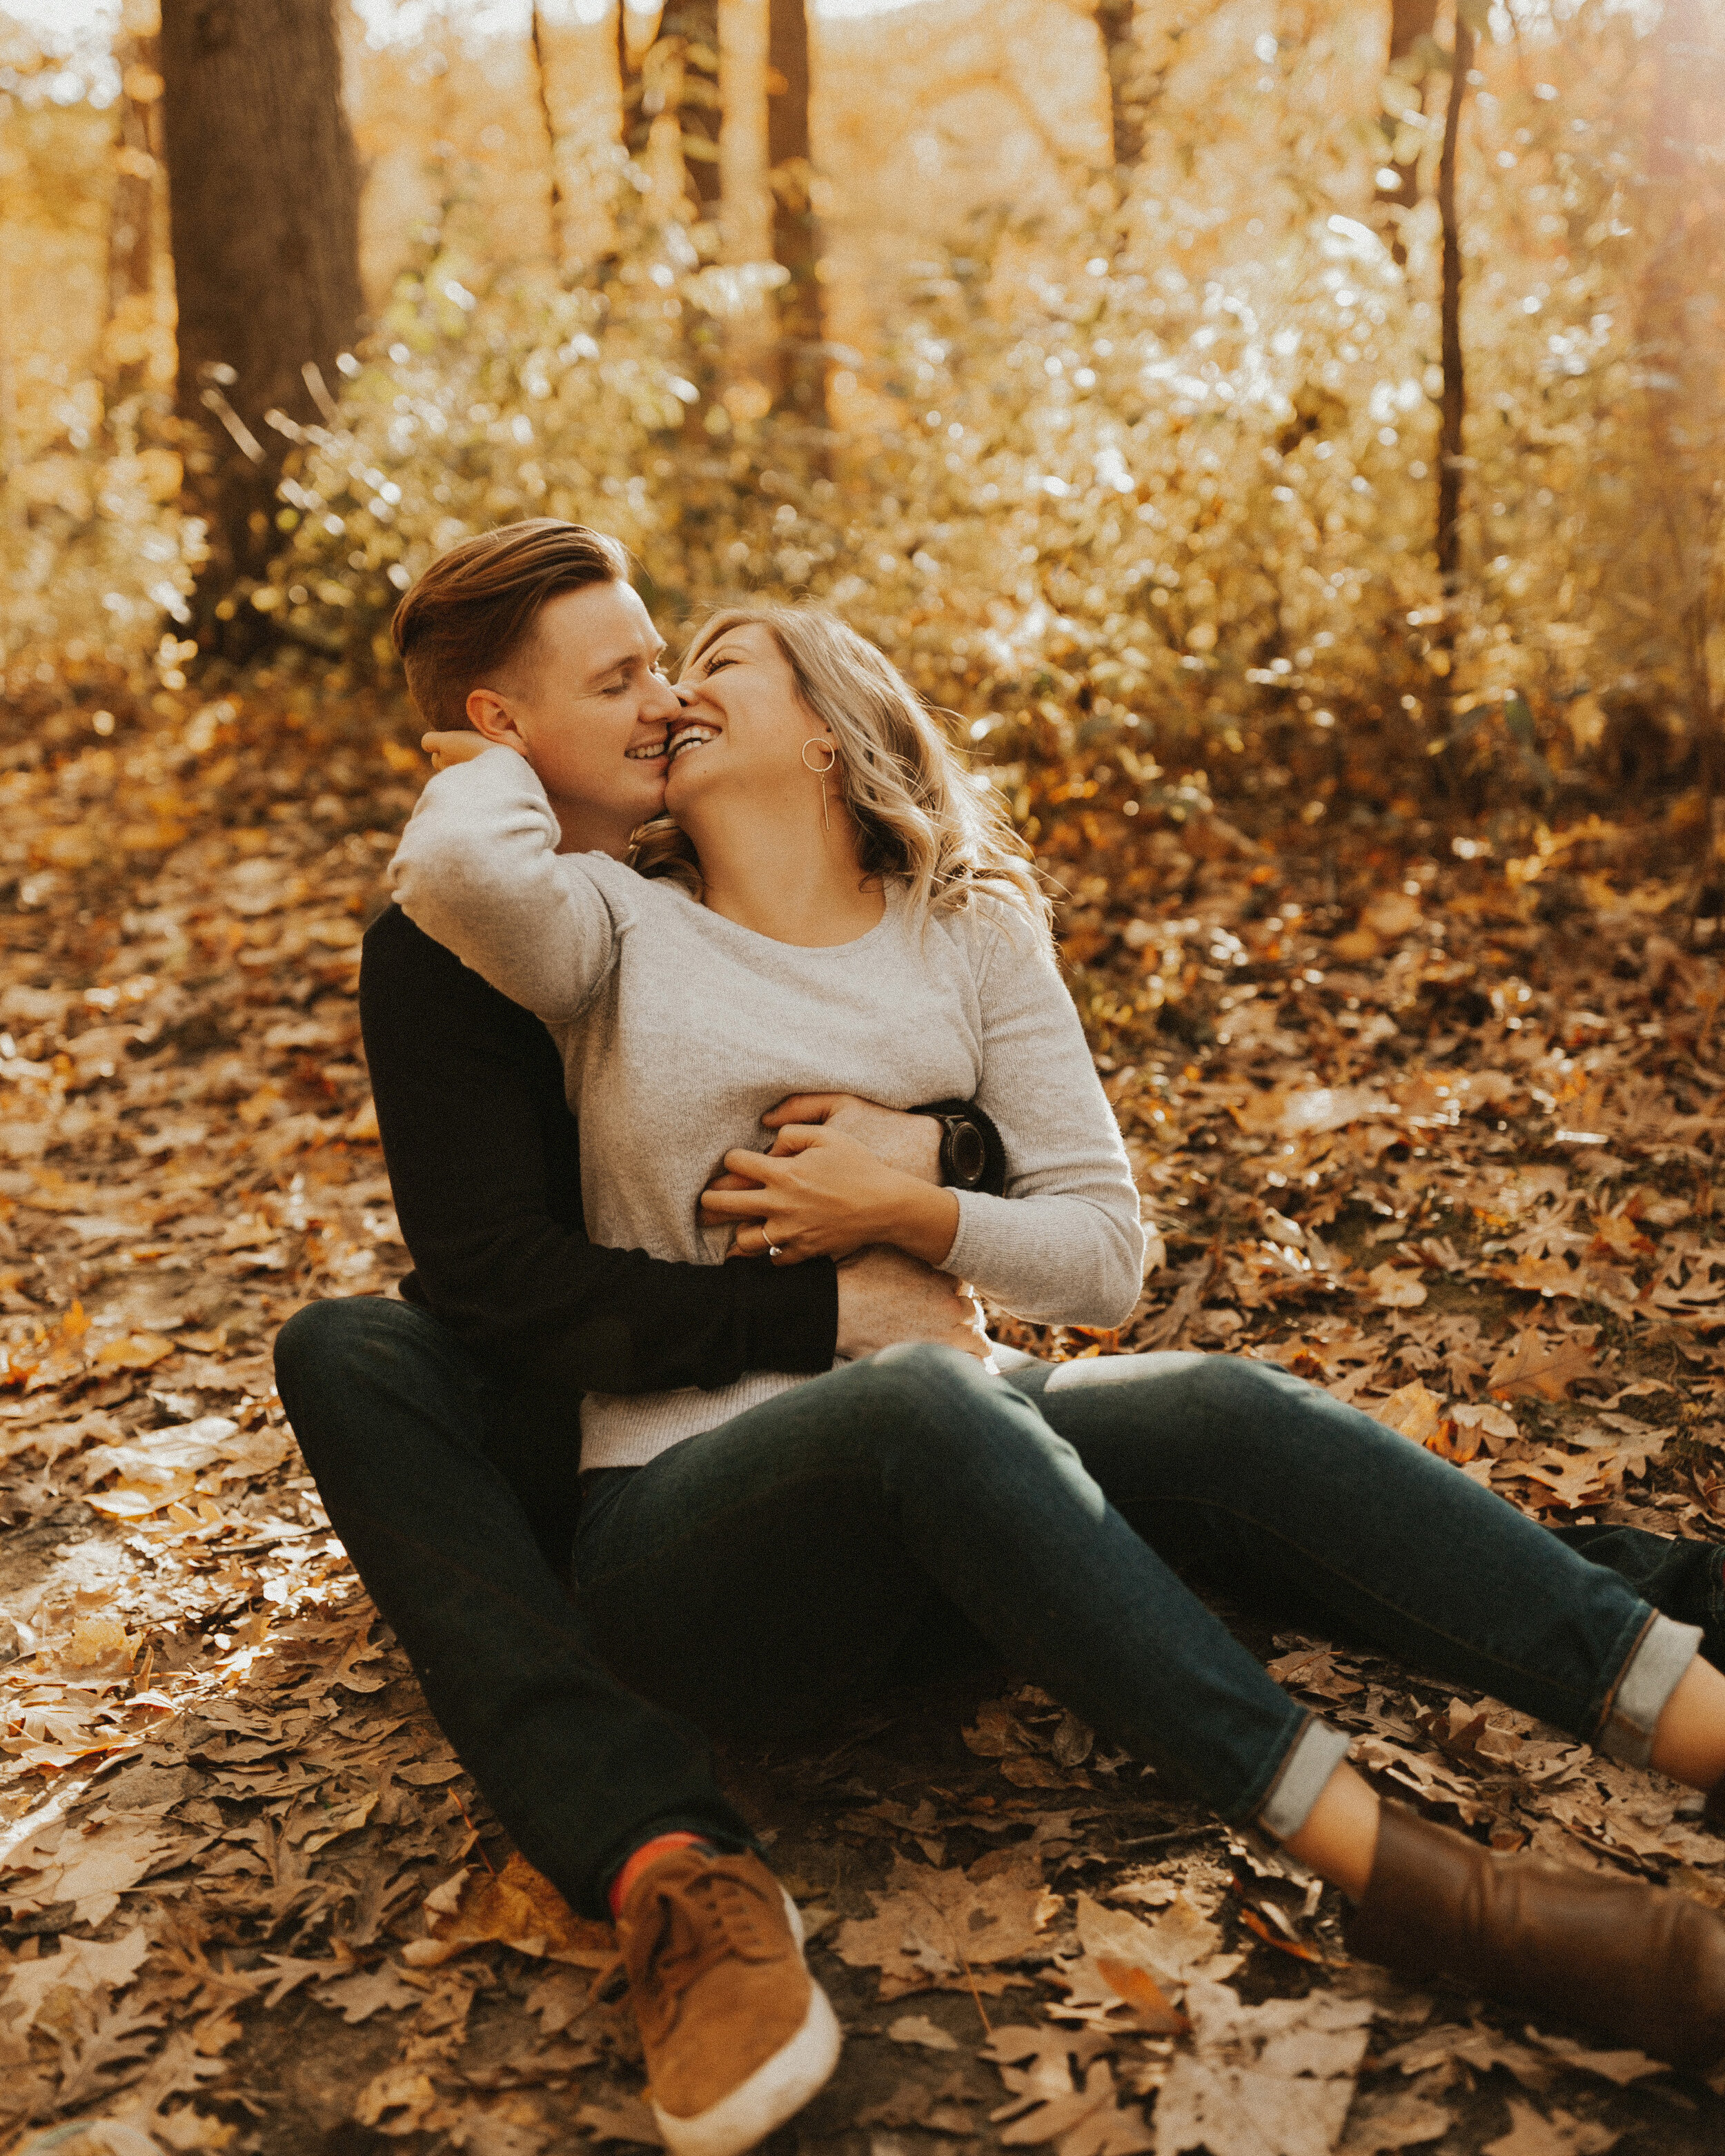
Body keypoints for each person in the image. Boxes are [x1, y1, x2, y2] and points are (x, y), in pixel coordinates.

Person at [279, 522, 1725, 2156]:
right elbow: (498, 1233)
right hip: (686, 1490)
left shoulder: (964, 926)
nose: (670, 698)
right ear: (499, 727)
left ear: (829, 723)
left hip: (962, 1423)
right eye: (625, 680)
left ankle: (1691, 1706)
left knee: (1216, 1408)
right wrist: (829, 1289)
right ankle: (1420, 1883)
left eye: (694, 666)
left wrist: (925, 1184)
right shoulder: (593, 924)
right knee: (836, 1395)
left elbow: (1098, 1247)